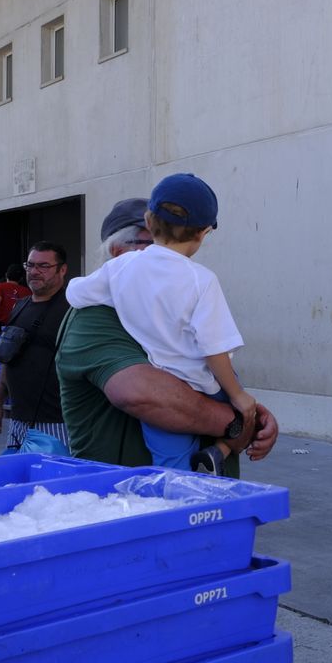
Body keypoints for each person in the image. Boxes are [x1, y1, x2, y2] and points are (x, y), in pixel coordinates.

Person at [56, 197, 276, 472]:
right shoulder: (91, 318)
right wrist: (236, 423)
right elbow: (142, 394)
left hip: (208, 501)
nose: (165, 256)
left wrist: (251, 411)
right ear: (116, 252)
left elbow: (209, 364)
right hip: (133, 501)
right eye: (150, 246)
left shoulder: (171, 302)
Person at [0, 242, 72, 449]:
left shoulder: (73, 309)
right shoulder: (20, 306)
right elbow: (9, 358)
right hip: (19, 419)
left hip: (60, 423)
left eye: (44, 266)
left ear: (62, 269)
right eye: (30, 265)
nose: (34, 271)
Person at [0, 263, 30, 332]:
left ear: (6, 274)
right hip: (20, 328)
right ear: (21, 278)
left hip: (1, 327)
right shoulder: (28, 291)